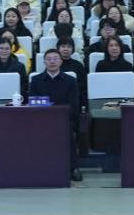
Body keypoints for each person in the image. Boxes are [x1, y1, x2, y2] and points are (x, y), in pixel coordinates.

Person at [28, 48, 83, 182]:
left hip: (63, 119)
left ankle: (73, 168)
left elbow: (74, 105)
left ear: (61, 61)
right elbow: (32, 102)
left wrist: (60, 116)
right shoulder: (36, 80)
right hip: (41, 120)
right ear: (44, 62)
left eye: (55, 59)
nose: (52, 62)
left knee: (68, 129)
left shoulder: (70, 80)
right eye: (49, 59)